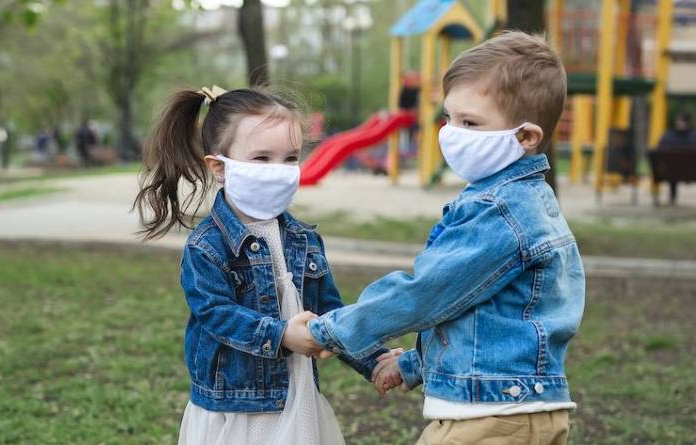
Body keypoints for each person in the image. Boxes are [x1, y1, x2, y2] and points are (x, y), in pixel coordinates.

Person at [299, 32, 586, 445]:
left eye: (470, 122)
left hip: (492, 417)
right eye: (449, 118)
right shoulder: (533, 204)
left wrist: (329, 330)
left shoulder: (498, 212)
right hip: (520, 409)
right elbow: (481, 318)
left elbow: (427, 294)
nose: (451, 132)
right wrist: (413, 364)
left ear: (526, 137)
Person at [133, 86, 394, 445]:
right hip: (240, 407)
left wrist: (374, 360)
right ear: (219, 167)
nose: (280, 171)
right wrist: (281, 334)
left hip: (296, 396)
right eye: (261, 158)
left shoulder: (304, 239)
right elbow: (216, 313)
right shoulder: (207, 246)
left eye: (290, 158)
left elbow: (331, 313)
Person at [656, 111, 696, 204]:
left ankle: (672, 198)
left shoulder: (668, 137)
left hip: (672, 172)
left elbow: (659, 150)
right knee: (675, 167)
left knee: (672, 168)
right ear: (691, 122)